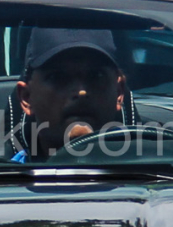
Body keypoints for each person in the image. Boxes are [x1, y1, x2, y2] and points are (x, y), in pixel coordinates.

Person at [15, 28, 128, 160]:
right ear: (27, 98)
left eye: (96, 76)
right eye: (57, 77)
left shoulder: (153, 171)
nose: (81, 92)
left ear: (119, 93)